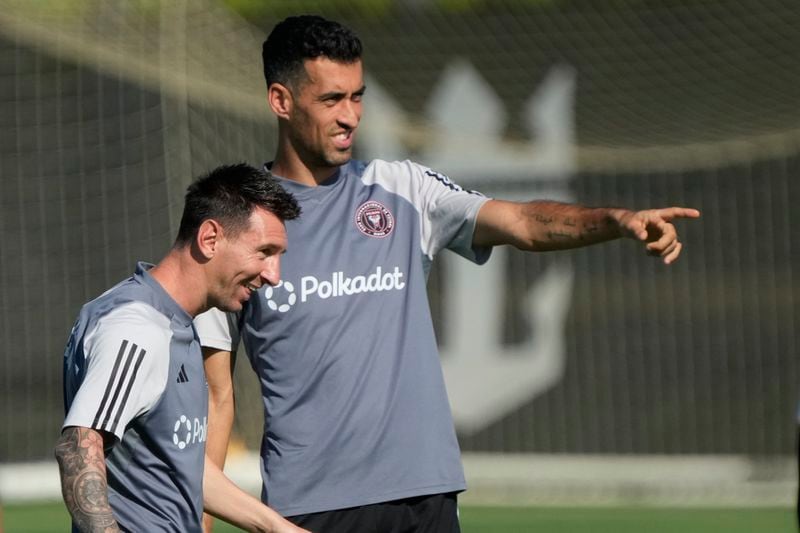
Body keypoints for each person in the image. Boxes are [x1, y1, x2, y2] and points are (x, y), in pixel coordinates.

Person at [195, 15, 701, 533]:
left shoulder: (403, 189)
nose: (351, 116)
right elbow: (216, 395)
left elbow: (524, 222)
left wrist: (616, 221)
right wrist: (199, 524)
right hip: (308, 506)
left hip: (424, 494)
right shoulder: (235, 225)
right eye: (331, 100)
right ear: (281, 101)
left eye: (357, 97)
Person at [55, 164, 308, 533]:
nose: (274, 274)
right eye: (264, 251)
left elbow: (180, 462)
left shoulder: (178, 321)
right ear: (209, 239)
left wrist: (276, 527)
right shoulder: (137, 326)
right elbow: (79, 447)